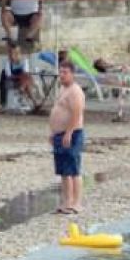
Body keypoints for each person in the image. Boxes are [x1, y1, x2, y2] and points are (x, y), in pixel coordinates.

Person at [49, 62, 85, 215]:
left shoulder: (75, 91)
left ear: (72, 74)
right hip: (59, 133)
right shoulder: (62, 89)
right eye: (60, 72)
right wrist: (53, 132)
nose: (62, 75)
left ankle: (76, 203)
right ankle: (66, 201)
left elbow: (77, 113)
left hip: (72, 133)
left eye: (65, 72)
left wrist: (69, 132)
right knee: (63, 170)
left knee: (73, 169)